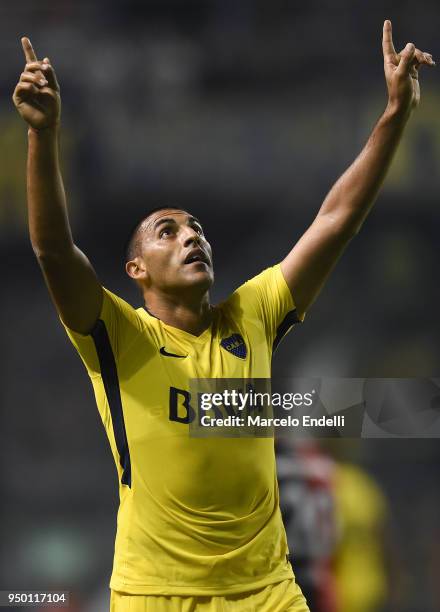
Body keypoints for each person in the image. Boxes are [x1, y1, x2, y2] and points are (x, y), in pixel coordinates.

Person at [12, 21, 433, 612]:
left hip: (267, 594)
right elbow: (54, 250)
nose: (192, 238)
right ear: (136, 270)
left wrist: (393, 116)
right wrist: (44, 134)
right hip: (156, 594)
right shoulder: (118, 334)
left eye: (198, 230)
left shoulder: (253, 313)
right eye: (169, 231)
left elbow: (336, 220)